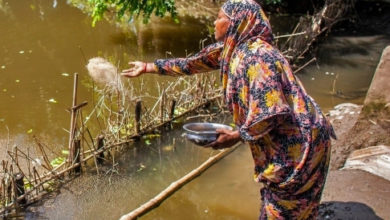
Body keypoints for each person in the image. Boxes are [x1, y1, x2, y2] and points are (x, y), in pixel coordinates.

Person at [121, 0, 336, 219]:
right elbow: (193, 63)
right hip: (288, 140)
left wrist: (236, 136)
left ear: (237, 22)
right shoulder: (234, 49)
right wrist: (149, 67)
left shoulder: (258, 58)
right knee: (291, 209)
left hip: (302, 144)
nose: (215, 22)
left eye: (220, 17)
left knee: (284, 210)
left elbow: (271, 111)